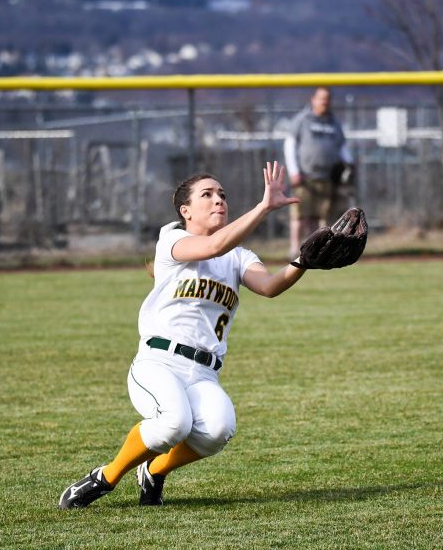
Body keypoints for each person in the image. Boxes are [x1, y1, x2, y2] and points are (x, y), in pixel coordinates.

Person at [59, 161, 306, 509]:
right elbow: (211, 247)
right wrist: (264, 206)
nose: (219, 199)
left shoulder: (239, 257)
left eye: (222, 194)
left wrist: (303, 262)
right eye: (207, 194)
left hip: (204, 372)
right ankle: (105, 477)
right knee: (174, 423)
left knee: (217, 430)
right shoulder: (173, 239)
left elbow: (268, 287)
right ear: (185, 210)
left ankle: (154, 471)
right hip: (158, 361)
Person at [283, 87, 356, 258]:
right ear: (313, 99)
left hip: (327, 177)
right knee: (300, 214)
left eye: (327, 98)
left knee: (321, 216)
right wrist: (294, 171)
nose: (325, 101)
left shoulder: (333, 122)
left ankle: (315, 250)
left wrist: (350, 164)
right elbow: (290, 145)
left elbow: (342, 147)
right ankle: (294, 249)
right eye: (321, 98)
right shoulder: (303, 119)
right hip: (304, 176)